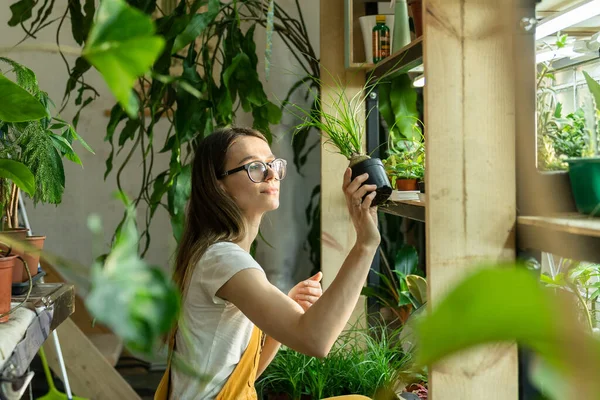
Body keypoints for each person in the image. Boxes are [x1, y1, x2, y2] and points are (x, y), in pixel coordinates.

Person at [155, 127, 380, 400]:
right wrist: (365, 245)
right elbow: (316, 340)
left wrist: (289, 308)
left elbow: (243, 379)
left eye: (273, 164)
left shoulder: (216, 255)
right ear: (218, 184)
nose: (272, 174)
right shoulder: (224, 259)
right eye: (255, 167)